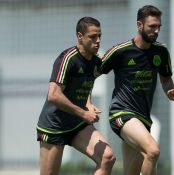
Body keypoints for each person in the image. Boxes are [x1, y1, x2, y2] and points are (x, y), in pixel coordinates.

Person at [99, 5, 174, 175]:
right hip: (121, 114)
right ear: (139, 25)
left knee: (132, 172)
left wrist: (170, 91)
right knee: (153, 151)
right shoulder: (120, 51)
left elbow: (166, 79)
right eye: (152, 26)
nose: (156, 30)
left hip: (143, 119)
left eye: (158, 26)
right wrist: (87, 102)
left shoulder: (161, 51)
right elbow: (91, 73)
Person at [36, 17, 116, 175]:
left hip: (77, 124)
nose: (98, 40)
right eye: (92, 37)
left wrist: (88, 102)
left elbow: (85, 82)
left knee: (107, 157)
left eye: (99, 36)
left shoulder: (95, 61)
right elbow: (53, 95)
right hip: (54, 126)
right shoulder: (67, 59)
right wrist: (84, 113)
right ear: (80, 36)